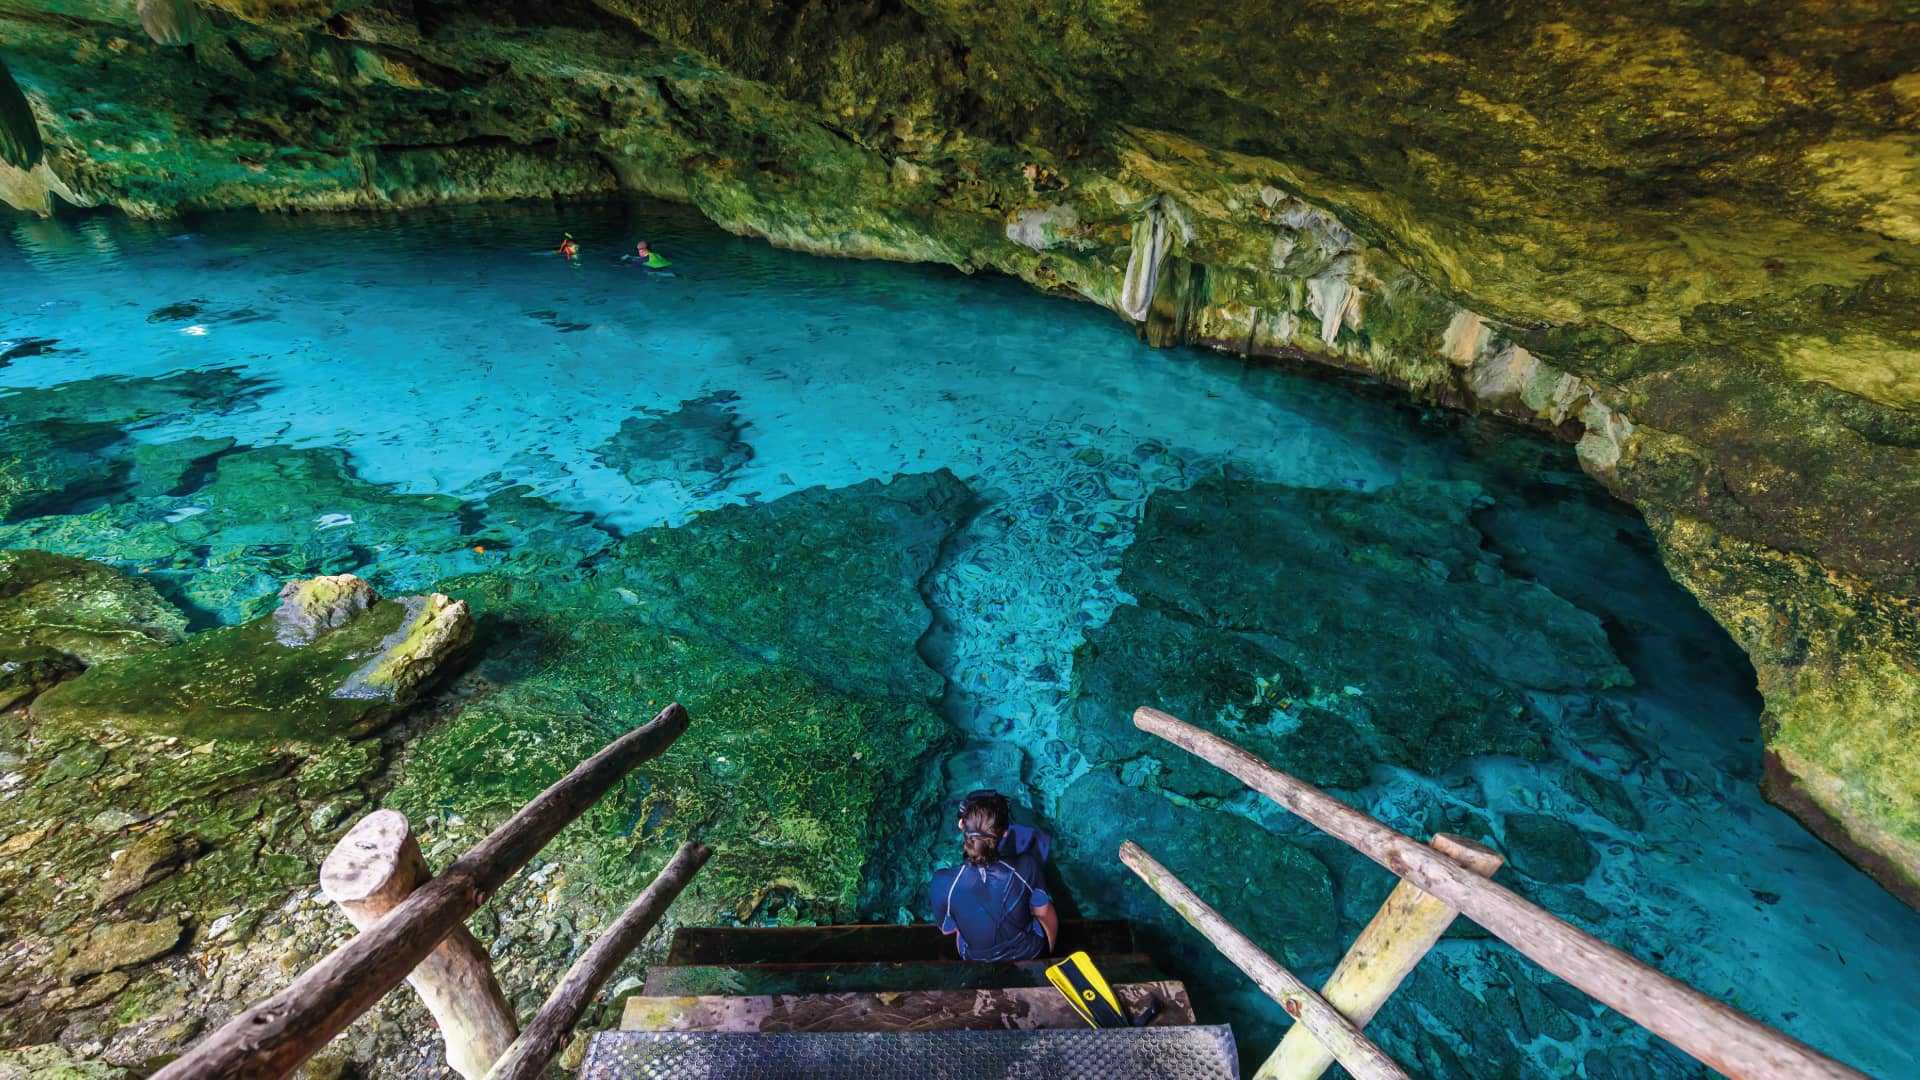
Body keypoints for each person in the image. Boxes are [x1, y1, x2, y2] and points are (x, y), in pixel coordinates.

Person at [930, 790, 1058, 962]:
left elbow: (947, 929)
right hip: (1030, 952)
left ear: (961, 824)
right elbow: (1044, 914)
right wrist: (1047, 954)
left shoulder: (942, 881)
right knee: (1042, 906)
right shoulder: (1027, 865)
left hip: (976, 959)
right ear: (1005, 832)